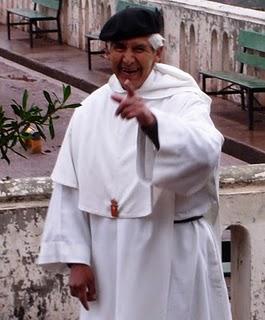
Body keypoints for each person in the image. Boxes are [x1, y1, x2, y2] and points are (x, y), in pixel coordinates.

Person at [38, 7, 232, 320]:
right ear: (106, 53)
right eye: (119, 48)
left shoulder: (184, 100)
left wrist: (154, 124)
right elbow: (68, 188)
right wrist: (76, 260)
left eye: (138, 48)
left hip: (172, 251)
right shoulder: (89, 110)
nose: (127, 58)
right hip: (107, 258)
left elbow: (206, 151)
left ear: (158, 52)